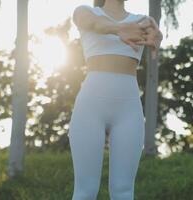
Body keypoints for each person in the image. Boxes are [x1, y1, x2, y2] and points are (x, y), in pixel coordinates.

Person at [68, 0, 163, 199]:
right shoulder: (84, 12)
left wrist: (158, 36)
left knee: (123, 190)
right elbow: (94, 24)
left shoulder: (143, 21)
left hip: (128, 109)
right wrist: (119, 29)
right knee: (85, 191)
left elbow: (155, 34)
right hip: (90, 107)